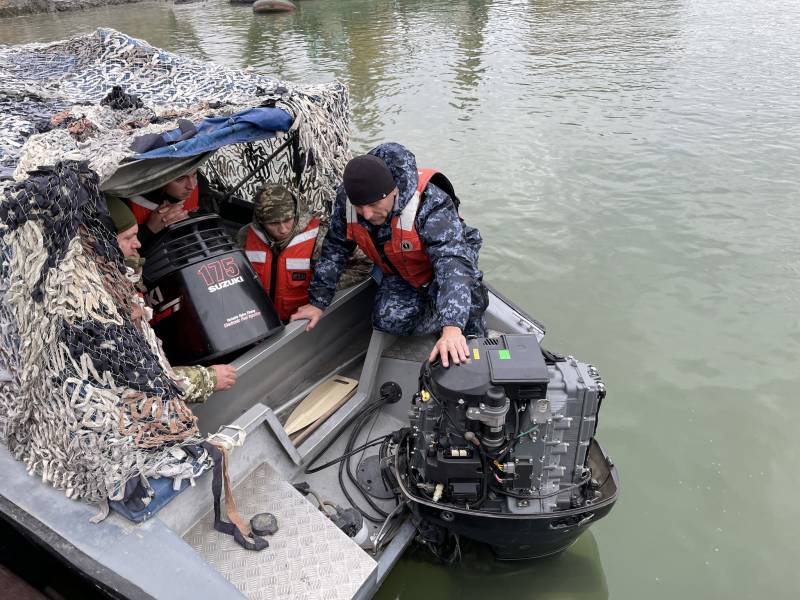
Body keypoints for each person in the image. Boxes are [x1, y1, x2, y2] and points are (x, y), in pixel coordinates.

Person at [290, 143, 488, 368]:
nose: (366, 214)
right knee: (387, 319)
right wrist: (318, 301)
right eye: (359, 206)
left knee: (468, 301)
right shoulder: (346, 202)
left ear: (394, 191)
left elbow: (451, 262)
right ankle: (435, 311)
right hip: (402, 268)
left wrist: (452, 326)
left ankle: (465, 324)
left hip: (449, 260)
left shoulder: (430, 203)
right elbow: (335, 248)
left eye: (374, 204)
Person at [106, 196, 237, 401]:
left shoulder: (119, 278)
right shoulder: (100, 301)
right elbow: (136, 381)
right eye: (127, 238)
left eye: (137, 235)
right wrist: (207, 379)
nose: (138, 243)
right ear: (105, 242)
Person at [237, 183, 323, 321]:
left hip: (300, 324)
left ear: (296, 213)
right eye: (273, 223)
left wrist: (322, 292)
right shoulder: (245, 236)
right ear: (261, 222)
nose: (283, 229)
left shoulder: (319, 237)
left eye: (288, 220)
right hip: (259, 322)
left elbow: (362, 264)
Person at [124, 169, 199, 250]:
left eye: (194, 175)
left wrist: (190, 218)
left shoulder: (200, 184)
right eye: (179, 179)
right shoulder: (125, 202)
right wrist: (149, 229)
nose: (192, 186)